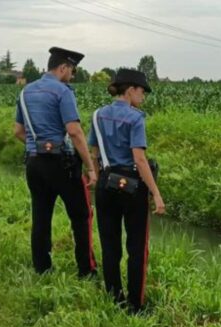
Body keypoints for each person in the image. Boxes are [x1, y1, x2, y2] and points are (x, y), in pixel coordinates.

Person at [13, 46, 98, 278]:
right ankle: (86, 270)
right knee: (81, 215)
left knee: (41, 216)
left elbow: (18, 131)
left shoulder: (25, 92)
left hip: (34, 162)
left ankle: (42, 268)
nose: (72, 76)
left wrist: (36, 146)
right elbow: (75, 131)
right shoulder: (62, 92)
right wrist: (90, 167)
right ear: (63, 68)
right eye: (72, 71)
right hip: (63, 163)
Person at [88, 68, 165, 313]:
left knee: (110, 244)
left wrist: (99, 180)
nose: (143, 96)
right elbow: (139, 159)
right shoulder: (135, 118)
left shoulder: (98, 115)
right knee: (136, 248)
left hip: (106, 184)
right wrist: (156, 193)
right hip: (132, 187)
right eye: (142, 91)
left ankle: (114, 296)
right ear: (130, 89)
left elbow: (93, 153)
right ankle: (135, 305)